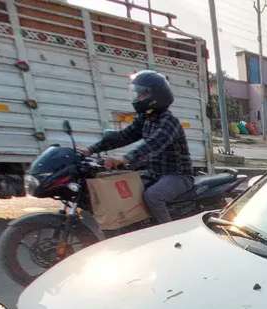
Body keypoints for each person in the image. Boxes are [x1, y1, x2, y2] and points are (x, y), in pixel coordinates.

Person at [82, 70, 193, 224]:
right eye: (137, 94)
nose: (138, 98)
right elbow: (123, 136)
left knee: (153, 196)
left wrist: (124, 159)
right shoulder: (146, 119)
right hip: (154, 173)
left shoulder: (169, 121)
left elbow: (153, 145)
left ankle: (168, 233)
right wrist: (91, 149)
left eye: (142, 94)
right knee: (124, 188)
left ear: (156, 95)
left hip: (178, 175)